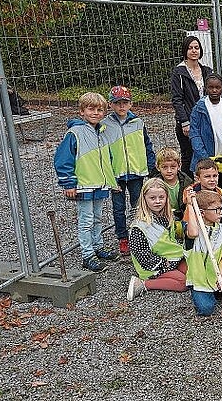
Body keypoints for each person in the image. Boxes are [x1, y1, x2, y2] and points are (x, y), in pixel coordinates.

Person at [54, 92, 119, 272]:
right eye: (91, 109)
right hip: (83, 184)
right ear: (82, 111)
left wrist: (111, 179)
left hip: (99, 183)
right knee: (86, 220)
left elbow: (107, 158)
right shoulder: (75, 133)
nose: (96, 113)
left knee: (98, 218)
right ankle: (87, 254)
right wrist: (68, 183)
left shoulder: (102, 132)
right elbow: (63, 159)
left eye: (100, 110)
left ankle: (98, 247)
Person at [102, 85, 156, 256]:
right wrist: (107, 174)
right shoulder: (104, 125)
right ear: (111, 105)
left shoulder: (138, 122)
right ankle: (123, 237)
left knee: (138, 205)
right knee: (118, 208)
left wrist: (150, 164)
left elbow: (147, 144)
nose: (121, 106)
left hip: (136, 172)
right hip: (116, 174)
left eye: (125, 103)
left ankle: (139, 234)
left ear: (131, 104)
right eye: (117, 103)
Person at [126, 178, 187, 301]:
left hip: (174, 258)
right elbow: (143, 256)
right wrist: (165, 263)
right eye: (152, 198)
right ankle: (142, 284)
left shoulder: (168, 216)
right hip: (155, 265)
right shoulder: (139, 227)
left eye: (161, 197)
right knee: (183, 283)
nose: (158, 201)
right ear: (144, 199)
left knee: (193, 274)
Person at [188, 73, 222, 191]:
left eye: (217, 87)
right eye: (211, 88)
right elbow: (194, 134)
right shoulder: (199, 108)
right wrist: (204, 157)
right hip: (207, 157)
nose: (214, 90)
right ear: (205, 89)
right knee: (206, 187)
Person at [170, 35, 213, 177]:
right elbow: (177, 100)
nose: (194, 51)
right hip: (188, 121)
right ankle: (187, 188)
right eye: (190, 48)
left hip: (205, 120)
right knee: (188, 156)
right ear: (185, 51)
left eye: (196, 48)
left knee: (206, 154)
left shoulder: (207, 71)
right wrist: (184, 122)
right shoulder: (179, 72)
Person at [155, 147, 193, 220]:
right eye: (164, 167)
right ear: (158, 167)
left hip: (183, 215)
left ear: (179, 166)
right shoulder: (155, 184)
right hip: (162, 216)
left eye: (173, 167)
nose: (169, 171)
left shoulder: (187, 182)